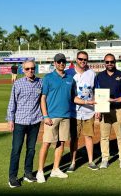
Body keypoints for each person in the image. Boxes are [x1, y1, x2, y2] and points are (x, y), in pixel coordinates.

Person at [36, 53, 76, 183]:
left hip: (66, 116)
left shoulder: (70, 78)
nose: (61, 64)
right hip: (52, 117)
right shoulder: (48, 78)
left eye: (63, 61)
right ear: (54, 63)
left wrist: (89, 102)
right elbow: (43, 98)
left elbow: (73, 97)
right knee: (46, 143)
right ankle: (40, 171)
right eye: (58, 62)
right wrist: (45, 115)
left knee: (61, 142)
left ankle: (55, 169)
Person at [6, 60, 42, 188]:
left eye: (32, 68)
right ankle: (12, 177)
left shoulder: (40, 82)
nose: (30, 71)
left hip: (35, 121)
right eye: (27, 69)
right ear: (23, 70)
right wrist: (10, 120)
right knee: (16, 150)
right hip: (20, 122)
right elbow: (12, 103)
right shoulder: (18, 84)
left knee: (31, 149)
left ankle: (28, 173)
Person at [94, 53, 121, 169]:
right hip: (104, 111)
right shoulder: (99, 76)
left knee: (120, 135)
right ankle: (105, 159)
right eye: (107, 62)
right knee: (104, 136)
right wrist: (98, 110)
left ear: (115, 62)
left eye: (111, 62)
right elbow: (97, 93)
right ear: (104, 63)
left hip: (118, 109)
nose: (109, 64)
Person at [68, 51, 98, 172]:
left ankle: (91, 161)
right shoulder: (69, 73)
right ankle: (72, 162)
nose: (82, 61)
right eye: (80, 59)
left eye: (85, 59)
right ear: (76, 59)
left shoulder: (92, 74)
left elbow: (97, 91)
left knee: (88, 136)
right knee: (74, 137)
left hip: (89, 111)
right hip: (73, 111)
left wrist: (98, 109)